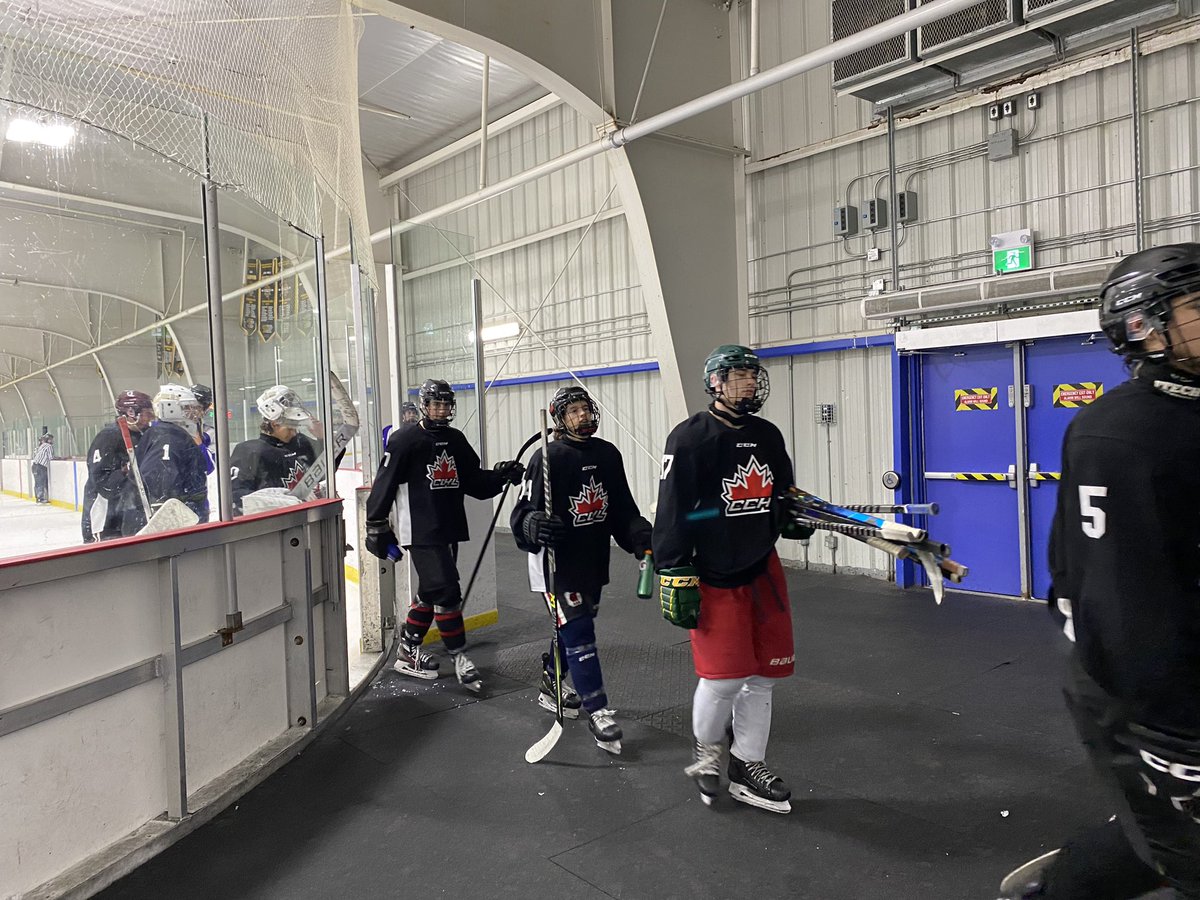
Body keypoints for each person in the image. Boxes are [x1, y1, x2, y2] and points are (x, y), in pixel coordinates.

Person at [998, 244, 1200, 899]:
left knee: (1172, 840)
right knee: (1183, 850)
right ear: (1142, 325)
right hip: (1153, 700)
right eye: (1199, 308)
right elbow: (1119, 607)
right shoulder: (1118, 434)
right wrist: (1167, 734)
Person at [652, 345, 813, 814]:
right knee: (725, 679)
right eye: (738, 375)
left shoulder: (767, 434)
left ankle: (748, 764)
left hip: (762, 569)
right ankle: (707, 757)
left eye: (752, 375)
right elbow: (672, 510)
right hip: (713, 573)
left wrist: (792, 515)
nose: (748, 383)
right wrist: (674, 568)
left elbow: (781, 493)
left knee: (763, 678)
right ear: (716, 383)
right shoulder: (689, 439)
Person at [509, 384, 653, 754]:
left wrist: (639, 536)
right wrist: (531, 526)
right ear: (560, 418)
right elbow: (521, 513)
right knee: (580, 631)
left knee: (571, 630)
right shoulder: (547, 457)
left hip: (592, 561)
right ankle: (599, 710)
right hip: (555, 565)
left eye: (585, 408)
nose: (582, 416)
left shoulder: (608, 454)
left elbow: (622, 509)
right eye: (573, 411)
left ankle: (551, 682)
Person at [363, 378, 524, 693]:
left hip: (448, 526)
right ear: (424, 405)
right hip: (419, 529)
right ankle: (460, 656)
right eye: (435, 404)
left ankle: (408, 651)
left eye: (446, 404)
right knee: (448, 591)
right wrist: (376, 524)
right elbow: (384, 482)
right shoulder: (404, 440)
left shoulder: (456, 439)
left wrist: (500, 476)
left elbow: (473, 482)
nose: (441, 410)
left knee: (431, 591)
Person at [228, 384, 322, 511]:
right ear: (274, 424)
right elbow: (236, 495)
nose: (294, 432)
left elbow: (323, 471)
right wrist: (280, 502)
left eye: (295, 427)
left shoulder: (300, 442)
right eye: (289, 427)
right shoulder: (250, 451)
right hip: (272, 525)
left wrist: (322, 439)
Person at [131, 384, 209, 531]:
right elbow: (160, 491)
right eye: (188, 408)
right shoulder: (167, 439)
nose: (195, 413)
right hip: (176, 531)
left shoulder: (171, 435)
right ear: (170, 408)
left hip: (186, 526)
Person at [81, 390, 154, 542]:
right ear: (132, 412)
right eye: (147, 413)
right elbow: (101, 482)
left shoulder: (145, 435)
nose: (150, 418)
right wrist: (126, 471)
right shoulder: (108, 437)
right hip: (105, 521)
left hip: (128, 515)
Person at [31, 433, 53, 503]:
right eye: (51, 439)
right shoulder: (49, 446)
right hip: (41, 466)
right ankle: (41, 498)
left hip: (34, 465)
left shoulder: (42, 445)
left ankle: (38, 498)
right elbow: (51, 457)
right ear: (49, 440)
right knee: (41, 482)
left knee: (37, 482)